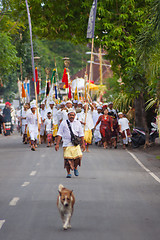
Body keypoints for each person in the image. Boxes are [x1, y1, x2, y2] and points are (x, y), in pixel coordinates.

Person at [55, 109, 85, 178]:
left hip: (75, 144)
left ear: (75, 116)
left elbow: (81, 134)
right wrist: (57, 144)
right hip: (66, 144)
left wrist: (83, 144)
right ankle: (68, 173)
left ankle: (75, 168)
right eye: (70, 115)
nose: (72, 116)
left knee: (78, 157)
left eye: (73, 115)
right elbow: (59, 133)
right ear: (68, 115)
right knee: (67, 160)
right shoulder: (63, 123)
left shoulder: (78, 123)